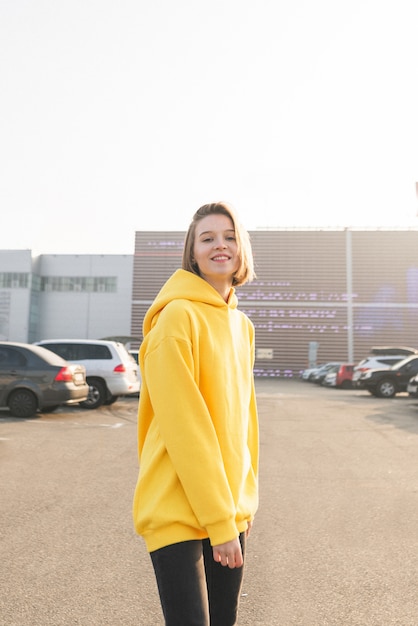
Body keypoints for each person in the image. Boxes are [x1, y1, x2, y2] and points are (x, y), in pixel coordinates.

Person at [132, 202, 259, 626]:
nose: (219, 245)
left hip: (227, 508)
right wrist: (221, 522)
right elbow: (186, 428)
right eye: (207, 238)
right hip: (176, 509)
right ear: (192, 253)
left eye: (229, 236)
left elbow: (245, 423)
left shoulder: (242, 326)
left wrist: (243, 505)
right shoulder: (176, 318)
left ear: (241, 249)